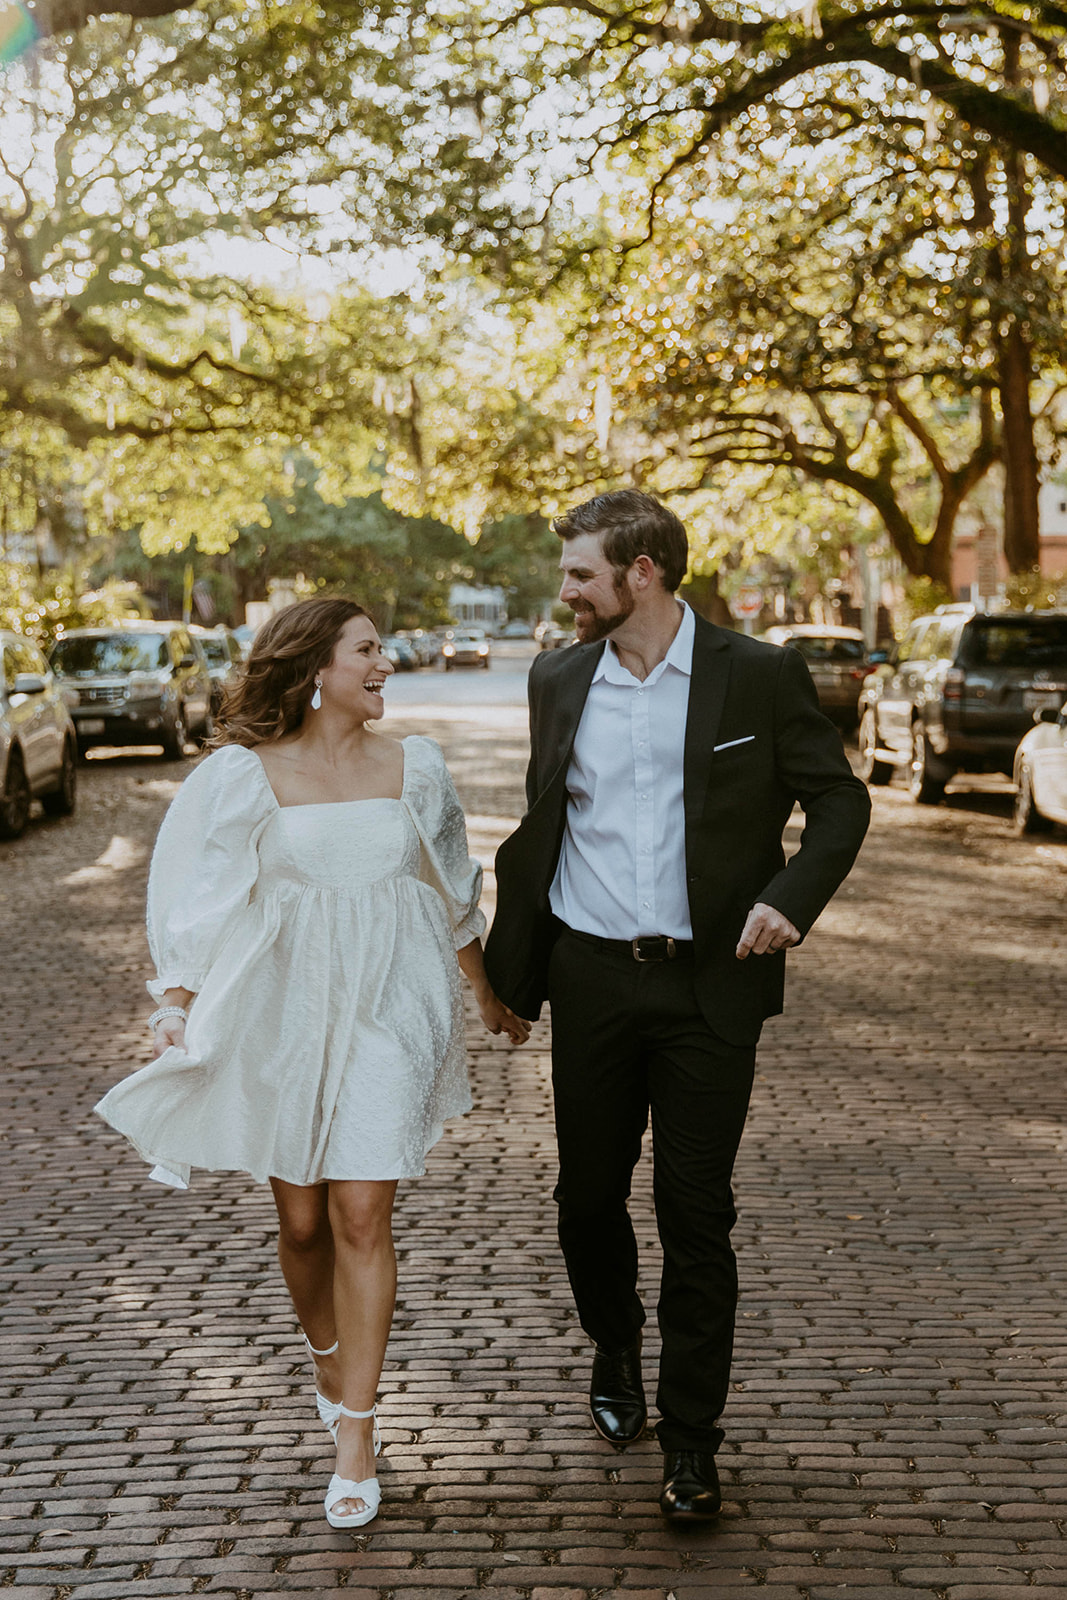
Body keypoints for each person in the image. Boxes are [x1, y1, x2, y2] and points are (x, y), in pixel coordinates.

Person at [96, 597, 529, 1533]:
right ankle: (327, 1354)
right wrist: (175, 1004)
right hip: (285, 1010)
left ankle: (357, 1435)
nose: (385, 666)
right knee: (302, 1225)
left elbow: (450, 886)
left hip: (389, 1005)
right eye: (367, 651)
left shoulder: (416, 767)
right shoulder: (240, 777)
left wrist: (484, 993)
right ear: (314, 667)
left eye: (381, 651)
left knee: (361, 1212)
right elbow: (197, 900)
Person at [484, 491, 870, 1521]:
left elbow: (838, 800)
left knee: (696, 1214)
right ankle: (613, 1340)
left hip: (711, 984)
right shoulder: (558, 676)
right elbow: (541, 830)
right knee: (584, 1200)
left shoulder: (759, 674)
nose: (564, 590)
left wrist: (789, 902)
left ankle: (691, 1441)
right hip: (594, 977)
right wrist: (510, 977)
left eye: (579, 573)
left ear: (641, 570)